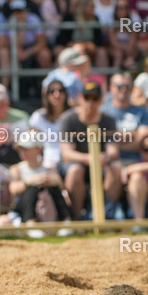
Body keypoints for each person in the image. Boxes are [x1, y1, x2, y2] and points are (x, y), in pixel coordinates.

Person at [59, 82, 122, 220]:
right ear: (80, 98)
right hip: (77, 165)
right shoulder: (68, 119)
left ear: (101, 100)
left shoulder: (108, 120)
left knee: (116, 167)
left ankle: (107, 215)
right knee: (75, 170)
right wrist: (90, 158)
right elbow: (67, 153)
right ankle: (76, 219)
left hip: (101, 165)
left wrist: (104, 158)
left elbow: (113, 151)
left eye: (94, 98)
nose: (90, 102)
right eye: (87, 97)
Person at [9, 130, 71, 234]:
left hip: (46, 205)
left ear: (38, 149)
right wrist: (29, 182)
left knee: (53, 188)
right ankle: (30, 222)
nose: (23, 152)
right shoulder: (16, 169)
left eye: (26, 149)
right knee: (32, 189)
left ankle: (66, 220)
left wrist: (51, 181)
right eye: (21, 149)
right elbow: (13, 189)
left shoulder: (49, 168)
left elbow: (61, 187)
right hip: (24, 208)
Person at [29, 80, 70, 168]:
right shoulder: (38, 116)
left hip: (70, 160)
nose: (57, 94)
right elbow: (32, 142)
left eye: (61, 90)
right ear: (47, 95)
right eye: (52, 91)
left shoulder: (73, 116)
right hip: (46, 161)